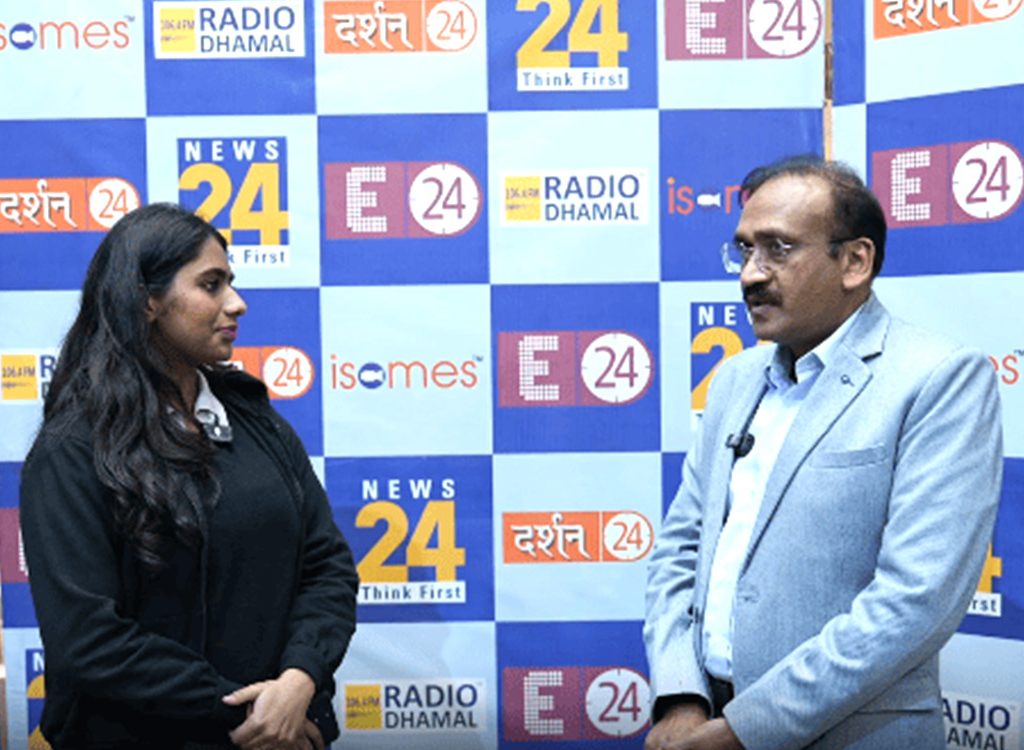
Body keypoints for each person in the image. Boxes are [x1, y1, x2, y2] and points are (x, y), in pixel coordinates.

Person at [644, 156, 1002, 750]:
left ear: (855, 262)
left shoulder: (938, 379)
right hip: (702, 720)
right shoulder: (733, 380)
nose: (750, 275)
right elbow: (681, 549)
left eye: (778, 249)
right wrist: (682, 698)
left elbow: (916, 602)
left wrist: (745, 730)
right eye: (745, 249)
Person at [19, 203, 359, 749]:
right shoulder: (72, 450)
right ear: (147, 301)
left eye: (231, 282)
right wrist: (250, 715)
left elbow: (327, 567)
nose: (237, 303)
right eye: (211, 284)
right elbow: (87, 640)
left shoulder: (255, 419)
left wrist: (300, 681)